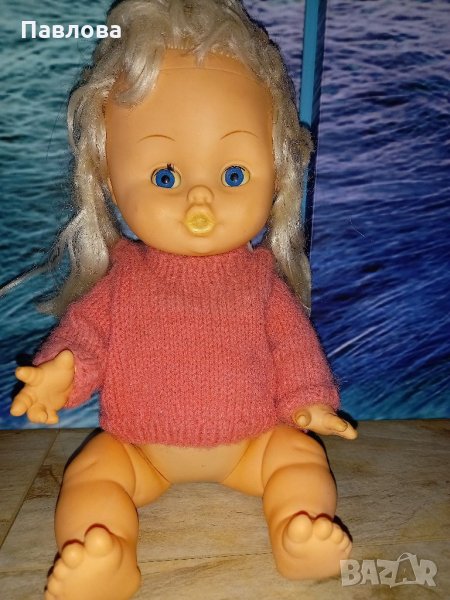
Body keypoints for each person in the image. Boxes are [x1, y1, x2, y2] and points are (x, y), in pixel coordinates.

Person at [10, 2, 357, 598]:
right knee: (92, 475)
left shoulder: (259, 281)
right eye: (165, 177)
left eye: (233, 175)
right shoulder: (122, 280)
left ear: (276, 171)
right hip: (141, 450)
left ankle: (296, 534)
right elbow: (84, 339)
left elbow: (293, 347)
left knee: (299, 460)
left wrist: (309, 404)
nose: (201, 200)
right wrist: (60, 374)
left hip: (251, 443)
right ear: (110, 176)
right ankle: (107, 554)